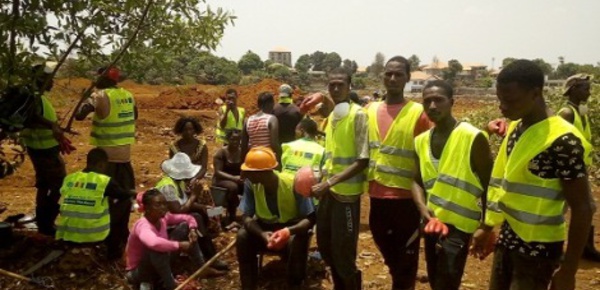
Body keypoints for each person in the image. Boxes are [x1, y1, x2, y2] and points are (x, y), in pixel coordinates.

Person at [471, 59, 594, 290]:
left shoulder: (562, 140)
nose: (503, 108)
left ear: (535, 94)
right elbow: (504, 186)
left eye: (510, 100)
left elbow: (584, 207)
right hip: (509, 240)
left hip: (538, 251)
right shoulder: (518, 128)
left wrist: (568, 269)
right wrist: (487, 227)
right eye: (500, 100)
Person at [412, 80, 493, 290]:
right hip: (432, 222)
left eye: (438, 100)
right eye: (427, 101)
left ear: (452, 103)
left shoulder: (472, 136)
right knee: (435, 278)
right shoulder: (420, 141)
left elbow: (489, 184)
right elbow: (416, 180)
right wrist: (422, 209)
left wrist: (487, 226)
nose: (432, 106)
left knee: (447, 281)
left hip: (460, 226)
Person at [366, 56, 431, 290]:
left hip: (406, 201)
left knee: (405, 263)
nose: (392, 78)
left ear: (408, 78)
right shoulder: (370, 110)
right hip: (376, 198)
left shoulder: (418, 113)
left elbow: (434, 149)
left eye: (398, 74)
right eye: (388, 74)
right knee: (390, 256)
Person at [311, 67, 369, 290]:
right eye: (331, 84)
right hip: (328, 194)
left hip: (346, 196)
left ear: (349, 87)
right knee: (326, 248)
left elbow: (362, 160)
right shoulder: (333, 116)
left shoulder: (359, 115)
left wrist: (329, 182)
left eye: (340, 84)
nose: (335, 88)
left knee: (344, 253)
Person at [75, 66, 137, 260]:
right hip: (124, 157)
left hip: (105, 162)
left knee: (106, 200)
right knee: (125, 198)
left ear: (102, 79)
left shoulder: (99, 96)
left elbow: (79, 114)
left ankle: (109, 241)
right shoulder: (128, 95)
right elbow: (134, 115)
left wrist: (85, 97)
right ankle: (121, 237)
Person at [236, 147, 316, 290]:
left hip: (290, 227)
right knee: (242, 236)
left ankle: (294, 283)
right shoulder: (251, 185)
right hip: (264, 228)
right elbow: (246, 217)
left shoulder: (293, 183)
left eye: (249, 172)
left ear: (263, 173)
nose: (245, 175)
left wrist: (287, 231)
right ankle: (248, 285)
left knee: (297, 241)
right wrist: (261, 234)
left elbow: (310, 218)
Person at [155, 152, 229, 271]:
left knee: (205, 214)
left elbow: (184, 203)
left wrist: (203, 207)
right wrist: (194, 195)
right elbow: (178, 210)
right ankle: (209, 257)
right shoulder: (167, 186)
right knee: (196, 218)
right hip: (165, 226)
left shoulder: (179, 183)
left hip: (176, 220)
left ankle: (208, 254)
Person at [20, 63, 67, 236]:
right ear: (41, 79)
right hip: (44, 150)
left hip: (40, 148)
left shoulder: (34, 97)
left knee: (44, 185)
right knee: (59, 185)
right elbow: (30, 118)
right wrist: (52, 125)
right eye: (50, 79)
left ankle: (42, 221)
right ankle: (47, 223)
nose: (53, 82)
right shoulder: (33, 97)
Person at [125, 189, 205, 290]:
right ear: (148, 208)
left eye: (164, 204)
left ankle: (201, 266)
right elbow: (153, 243)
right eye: (158, 205)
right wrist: (179, 245)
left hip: (160, 264)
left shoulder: (163, 218)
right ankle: (168, 285)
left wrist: (192, 229)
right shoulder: (142, 226)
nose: (164, 208)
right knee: (157, 250)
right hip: (140, 271)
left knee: (185, 227)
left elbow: (187, 218)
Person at [557, 73, 600, 261]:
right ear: (573, 89)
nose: (589, 92)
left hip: (579, 169)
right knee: (563, 209)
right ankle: (560, 249)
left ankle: (585, 247)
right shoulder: (566, 113)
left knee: (588, 207)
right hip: (567, 171)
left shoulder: (580, 111)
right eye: (585, 88)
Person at [56, 148, 134, 247]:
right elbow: (123, 195)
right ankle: (114, 251)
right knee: (124, 203)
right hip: (93, 236)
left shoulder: (69, 179)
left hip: (66, 235)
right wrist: (132, 192)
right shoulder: (103, 181)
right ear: (101, 165)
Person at [213, 129, 244, 225]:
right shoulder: (221, 153)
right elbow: (218, 172)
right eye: (232, 139)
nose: (235, 142)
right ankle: (232, 216)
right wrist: (234, 178)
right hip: (221, 180)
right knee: (233, 187)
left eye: (238, 140)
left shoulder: (242, 152)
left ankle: (250, 215)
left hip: (237, 179)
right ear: (227, 139)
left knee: (251, 186)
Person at [241, 92, 280, 158]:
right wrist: (280, 154)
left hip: (252, 157)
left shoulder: (248, 120)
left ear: (258, 105)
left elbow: (243, 145)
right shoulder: (272, 119)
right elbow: (274, 144)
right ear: (272, 104)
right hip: (266, 157)